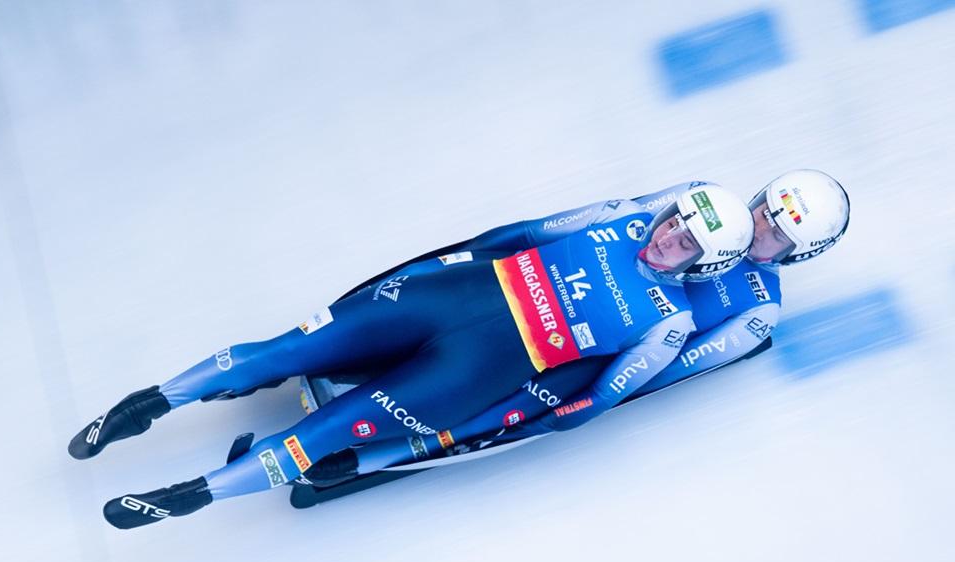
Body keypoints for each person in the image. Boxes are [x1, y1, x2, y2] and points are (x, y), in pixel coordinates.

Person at [69, 183, 754, 529]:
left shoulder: (667, 324)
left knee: (323, 434)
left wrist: (508, 420)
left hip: (474, 370)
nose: (668, 238)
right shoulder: (622, 216)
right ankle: (146, 403)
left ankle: (187, 497)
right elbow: (515, 233)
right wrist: (432, 266)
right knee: (289, 347)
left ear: (702, 265)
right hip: (450, 297)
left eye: (686, 243)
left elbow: (598, 398)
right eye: (674, 223)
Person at [300, 169, 851, 482]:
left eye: (777, 234)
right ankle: (333, 346)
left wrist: (597, 391)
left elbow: (671, 368)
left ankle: (366, 455)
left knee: (508, 403)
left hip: (594, 351)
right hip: (559, 288)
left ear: (798, 254)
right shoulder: (706, 199)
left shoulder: (760, 309)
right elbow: (623, 216)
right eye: (763, 212)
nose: (760, 228)